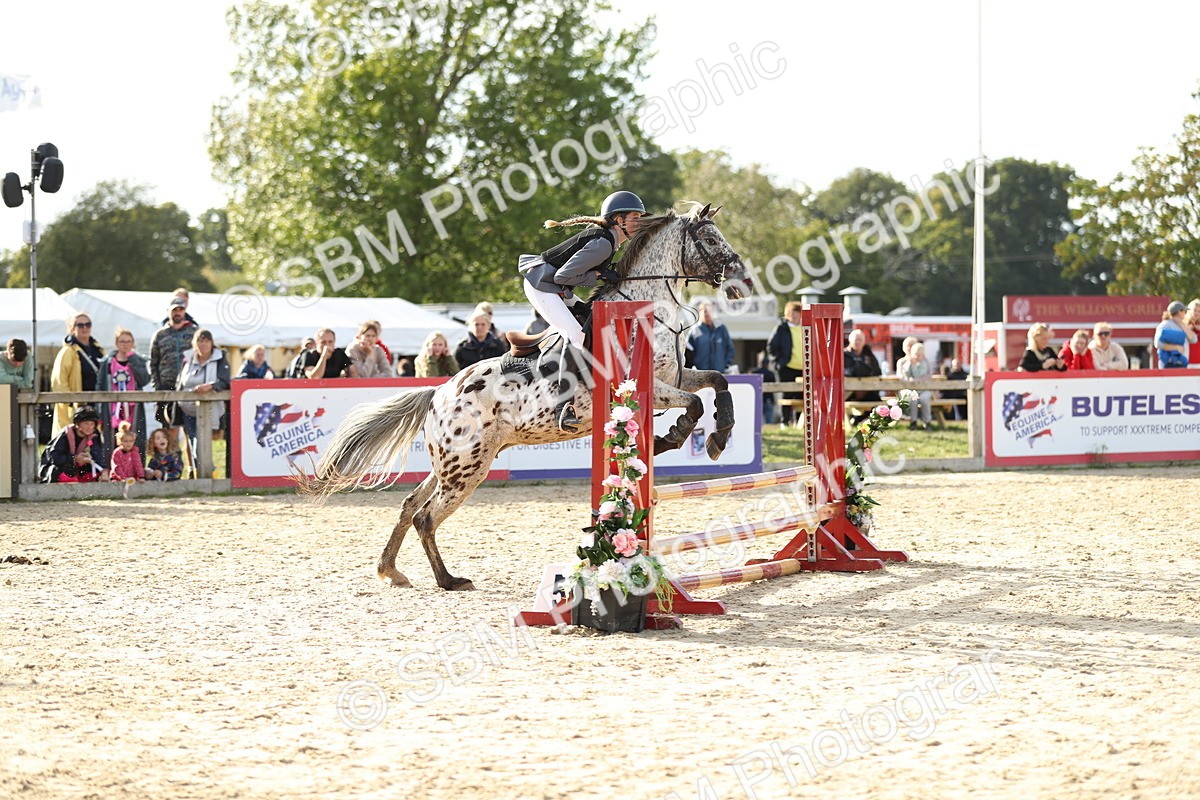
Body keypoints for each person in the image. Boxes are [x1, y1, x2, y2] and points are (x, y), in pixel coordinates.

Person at [518, 190, 645, 431]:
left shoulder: (610, 241)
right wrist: (597, 275)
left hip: (554, 285)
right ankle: (562, 407)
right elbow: (562, 275)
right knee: (575, 334)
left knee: (590, 321)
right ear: (619, 220)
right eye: (635, 217)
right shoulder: (604, 245)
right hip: (542, 285)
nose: (639, 222)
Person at [176, 329, 231, 475]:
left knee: (200, 442)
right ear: (195, 343)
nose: (203, 344)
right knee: (193, 441)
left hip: (209, 407)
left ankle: (207, 473)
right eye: (200, 341)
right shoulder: (187, 359)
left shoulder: (220, 359)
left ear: (212, 343)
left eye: (206, 341)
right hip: (187, 407)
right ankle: (201, 474)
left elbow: (225, 380)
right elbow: (180, 382)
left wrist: (211, 386)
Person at [97, 328, 151, 455]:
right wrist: (99, 412)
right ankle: (113, 470)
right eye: (122, 341)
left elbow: (144, 380)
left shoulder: (139, 360)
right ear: (116, 343)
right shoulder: (107, 362)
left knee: (134, 439)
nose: (125, 344)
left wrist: (132, 359)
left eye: (128, 341)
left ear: (133, 343)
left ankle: (136, 470)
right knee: (112, 440)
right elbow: (100, 385)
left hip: (133, 409)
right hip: (113, 409)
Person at [50, 313, 106, 435]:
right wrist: (71, 403)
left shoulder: (98, 350)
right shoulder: (67, 351)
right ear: (72, 328)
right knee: (73, 442)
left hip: (96, 405)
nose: (84, 328)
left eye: (88, 324)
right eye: (80, 325)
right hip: (77, 408)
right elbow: (59, 381)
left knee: (94, 444)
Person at [39, 405, 109, 483]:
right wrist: (74, 459)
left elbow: (97, 455)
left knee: (93, 472)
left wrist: (104, 470)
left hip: (76, 468)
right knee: (65, 470)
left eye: (92, 424)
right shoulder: (65, 435)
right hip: (58, 468)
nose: (89, 427)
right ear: (77, 424)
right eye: (86, 423)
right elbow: (54, 457)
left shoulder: (92, 437)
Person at [150, 297, 200, 391]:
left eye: (180, 309)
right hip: (165, 386)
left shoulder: (195, 332)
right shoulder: (160, 335)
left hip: (189, 385)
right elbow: (153, 363)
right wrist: (157, 386)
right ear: (168, 311)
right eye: (174, 310)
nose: (177, 313)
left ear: (184, 311)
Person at [767, 301, 805, 425]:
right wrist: (778, 362)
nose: (793, 315)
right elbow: (771, 346)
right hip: (786, 367)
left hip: (803, 367)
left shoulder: (805, 326)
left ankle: (799, 422)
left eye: (796, 313)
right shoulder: (781, 327)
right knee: (787, 394)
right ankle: (785, 421)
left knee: (801, 396)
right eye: (791, 313)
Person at [844, 329, 882, 419]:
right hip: (848, 392)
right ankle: (851, 419)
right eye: (855, 339)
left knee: (877, 402)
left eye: (860, 340)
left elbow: (877, 372)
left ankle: (861, 421)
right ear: (850, 340)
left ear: (864, 341)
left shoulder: (869, 355)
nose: (857, 342)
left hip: (867, 391)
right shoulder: (843, 355)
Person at [689, 300, 735, 373]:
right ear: (700, 313)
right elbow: (688, 350)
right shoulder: (696, 330)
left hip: (719, 373)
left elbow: (730, 349)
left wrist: (725, 364)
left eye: (709, 311)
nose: (707, 314)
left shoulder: (721, 328)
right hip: (701, 374)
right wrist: (694, 364)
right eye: (705, 311)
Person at [899, 341, 933, 430]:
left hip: (924, 389)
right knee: (913, 399)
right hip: (910, 389)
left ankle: (927, 423)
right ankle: (913, 422)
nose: (917, 357)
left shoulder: (924, 363)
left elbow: (923, 376)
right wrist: (910, 364)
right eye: (916, 354)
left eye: (919, 354)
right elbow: (904, 375)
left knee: (924, 399)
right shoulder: (905, 362)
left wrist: (916, 378)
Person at [1154, 300, 1195, 369]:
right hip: (1169, 364)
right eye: (1184, 311)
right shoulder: (1165, 325)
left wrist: (1182, 324)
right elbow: (1158, 343)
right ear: (1179, 311)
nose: (1185, 313)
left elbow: (1193, 339)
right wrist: (1176, 347)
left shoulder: (1182, 325)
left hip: (1182, 364)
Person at [751, 350, 778, 425]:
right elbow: (774, 386)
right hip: (768, 399)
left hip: (757, 399)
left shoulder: (755, 373)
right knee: (769, 420)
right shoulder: (770, 374)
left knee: (757, 421)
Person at [1187, 300, 1200, 367]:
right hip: (1187, 361)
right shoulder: (1184, 324)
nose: (1197, 313)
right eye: (1195, 310)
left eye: (1199, 311)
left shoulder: (1198, 325)